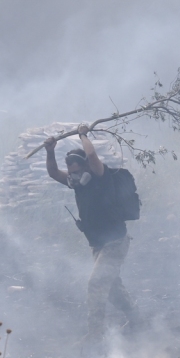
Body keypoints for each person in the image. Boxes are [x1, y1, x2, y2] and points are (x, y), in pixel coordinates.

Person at [44, 125, 136, 346]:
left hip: (115, 242)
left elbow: (92, 154)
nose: (74, 176)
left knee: (96, 284)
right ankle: (137, 319)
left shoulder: (100, 176)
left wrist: (83, 134)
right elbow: (54, 173)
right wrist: (50, 151)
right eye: (72, 172)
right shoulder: (76, 184)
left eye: (77, 170)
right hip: (97, 244)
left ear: (86, 166)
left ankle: (96, 335)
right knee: (111, 287)